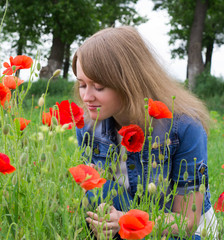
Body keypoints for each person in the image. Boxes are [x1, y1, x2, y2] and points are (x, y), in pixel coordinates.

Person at [72, 26, 218, 239]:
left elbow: (186, 221)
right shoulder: (87, 128)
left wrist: (125, 220)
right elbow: (94, 198)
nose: (86, 97)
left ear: (129, 83)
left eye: (99, 87)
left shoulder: (185, 128)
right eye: (82, 85)